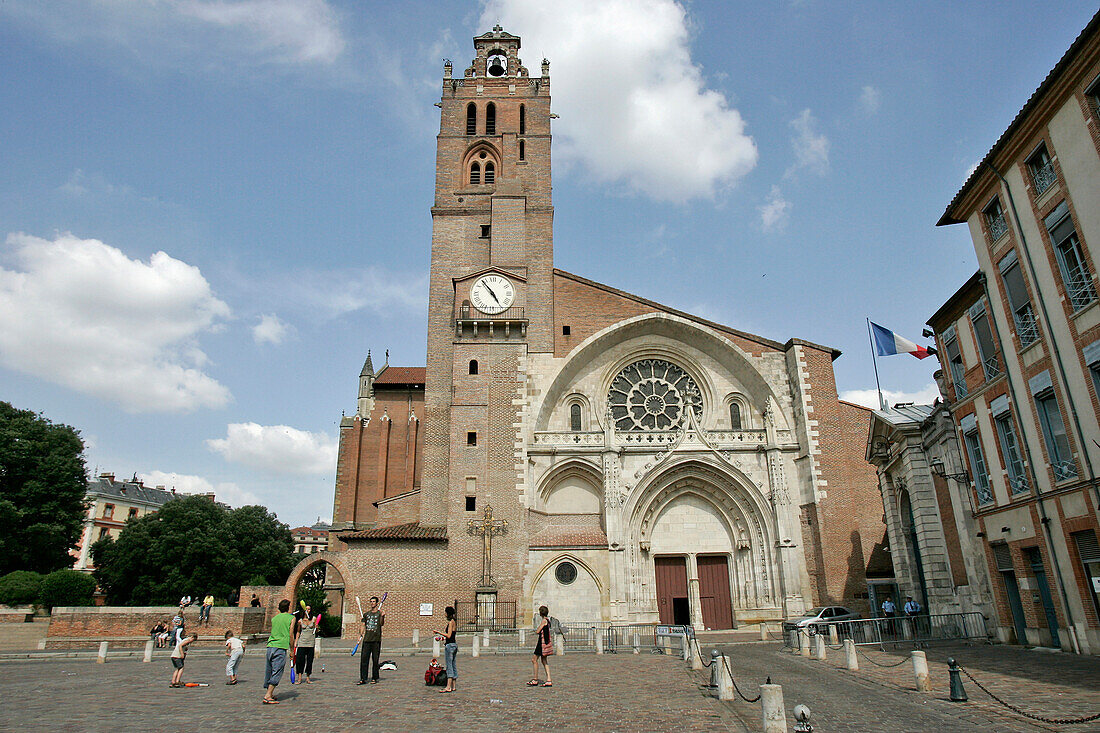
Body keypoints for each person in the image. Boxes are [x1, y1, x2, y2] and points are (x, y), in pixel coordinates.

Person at [263, 599, 294, 704]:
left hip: (270, 646)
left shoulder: (275, 618)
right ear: (288, 607)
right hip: (280, 646)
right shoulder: (291, 618)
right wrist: (292, 650)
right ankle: (267, 695)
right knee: (277, 671)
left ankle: (270, 693)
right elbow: (290, 635)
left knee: (270, 670)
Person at [357, 596, 385, 685]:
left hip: (376, 640)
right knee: (364, 660)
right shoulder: (366, 614)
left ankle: (375, 677)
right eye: (371, 601)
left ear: (377, 603)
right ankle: (363, 678)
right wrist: (360, 634)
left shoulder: (379, 613)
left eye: (374, 601)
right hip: (367, 640)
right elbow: (362, 625)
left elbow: (381, 624)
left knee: (375, 660)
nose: (372, 603)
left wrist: (383, 616)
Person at [433, 606, 458, 693]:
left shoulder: (451, 622)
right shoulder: (454, 622)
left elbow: (449, 635)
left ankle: (448, 686)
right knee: (453, 664)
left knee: (449, 666)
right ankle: (453, 685)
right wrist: (442, 639)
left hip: (450, 646)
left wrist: (438, 632)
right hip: (453, 644)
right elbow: (451, 637)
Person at [528, 605, 553, 687]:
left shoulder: (544, 621)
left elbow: (538, 631)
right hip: (545, 642)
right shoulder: (548, 620)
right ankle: (549, 679)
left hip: (541, 643)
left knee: (534, 660)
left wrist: (537, 628)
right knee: (544, 661)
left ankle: (535, 679)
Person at [293, 606, 318, 684]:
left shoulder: (313, 619)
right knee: (300, 660)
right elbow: (298, 631)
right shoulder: (300, 621)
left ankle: (308, 677)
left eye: (309, 609)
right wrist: (296, 642)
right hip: (302, 642)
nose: (308, 610)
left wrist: (316, 627)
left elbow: (316, 631)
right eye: (306, 609)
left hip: (310, 643)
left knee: (309, 660)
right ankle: (299, 678)